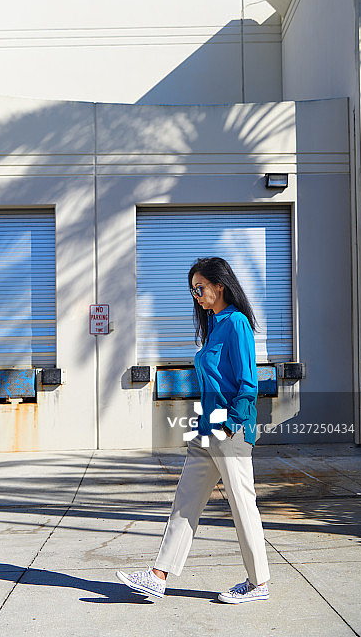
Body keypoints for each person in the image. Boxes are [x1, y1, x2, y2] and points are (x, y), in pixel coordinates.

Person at [116, 256, 270, 604]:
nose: (196, 295)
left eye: (200, 288)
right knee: (186, 501)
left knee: (242, 504)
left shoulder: (237, 324)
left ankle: (259, 582)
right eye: (192, 291)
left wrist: (233, 423)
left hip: (229, 430)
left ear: (220, 285)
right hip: (207, 426)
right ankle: (158, 576)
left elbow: (248, 382)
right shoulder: (216, 325)